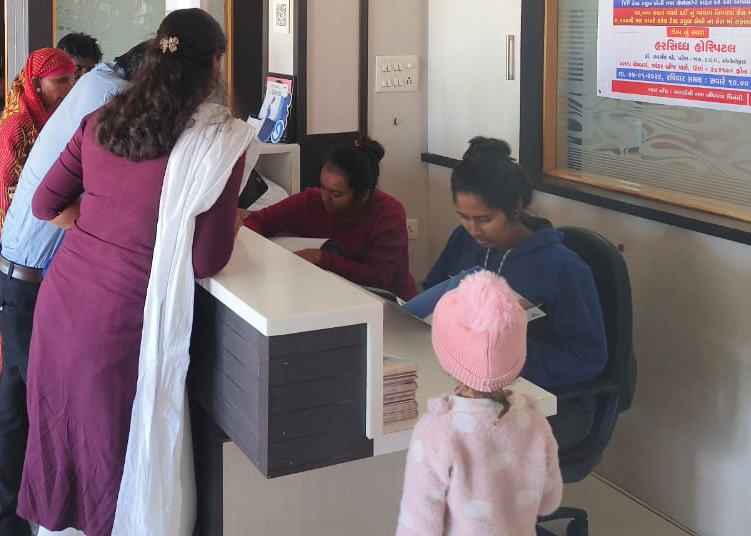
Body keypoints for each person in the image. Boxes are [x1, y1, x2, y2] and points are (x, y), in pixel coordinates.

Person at [19, 8, 255, 536]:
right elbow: (205, 260)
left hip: (62, 303)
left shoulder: (103, 119)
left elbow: (44, 204)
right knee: (113, 461)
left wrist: (100, 226)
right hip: (123, 318)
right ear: (215, 64)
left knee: (62, 435)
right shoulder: (218, 140)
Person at [0, 40, 150, 536]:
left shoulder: (97, 85)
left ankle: (4, 526)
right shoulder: (109, 101)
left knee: (18, 411)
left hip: (15, 275)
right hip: (27, 282)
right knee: (45, 412)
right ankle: (35, 522)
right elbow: (55, 204)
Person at [405, 136, 607, 449]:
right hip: (470, 387)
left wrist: (507, 358)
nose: (473, 230)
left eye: (484, 219)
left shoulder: (562, 268)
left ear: (515, 207)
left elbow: (588, 357)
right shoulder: (465, 239)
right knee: (416, 420)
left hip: (549, 399)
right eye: (463, 217)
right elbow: (435, 291)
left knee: (456, 444)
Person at [0, 48, 76, 474]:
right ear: (36, 83)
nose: (68, 88)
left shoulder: (49, 120)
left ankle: (14, 458)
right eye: (60, 81)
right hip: (7, 253)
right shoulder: (15, 129)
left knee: (15, 365)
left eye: (71, 79)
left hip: (29, 255)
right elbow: (12, 198)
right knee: (2, 355)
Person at [396, 271, 562, 536]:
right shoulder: (532, 418)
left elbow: (419, 525)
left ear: (444, 356)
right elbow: (549, 501)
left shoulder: (437, 431)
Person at [241, 135, 418, 300]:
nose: (325, 197)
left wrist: (321, 258)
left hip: (389, 302)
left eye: (336, 194)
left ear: (363, 195)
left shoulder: (388, 213)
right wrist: (263, 258)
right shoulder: (312, 202)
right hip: (331, 296)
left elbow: (378, 277)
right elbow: (256, 222)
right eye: (323, 187)